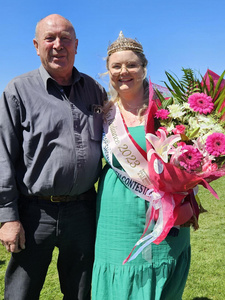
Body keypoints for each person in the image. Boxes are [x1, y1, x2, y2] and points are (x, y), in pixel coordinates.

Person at [0, 14, 106, 300]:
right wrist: (7, 217)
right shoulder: (18, 91)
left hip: (83, 211)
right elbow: (3, 156)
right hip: (34, 213)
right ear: (37, 45)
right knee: (21, 293)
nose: (58, 44)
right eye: (50, 38)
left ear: (76, 45)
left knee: (81, 292)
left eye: (65, 38)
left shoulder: (95, 91)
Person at [91, 32, 191, 300]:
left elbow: (191, 158)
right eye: (116, 66)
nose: (124, 71)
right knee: (120, 273)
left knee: (161, 275)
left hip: (166, 210)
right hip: (116, 212)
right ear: (108, 71)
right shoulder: (104, 111)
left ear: (144, 68)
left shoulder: (169, 107)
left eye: (132, 65)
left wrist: (188, 199)